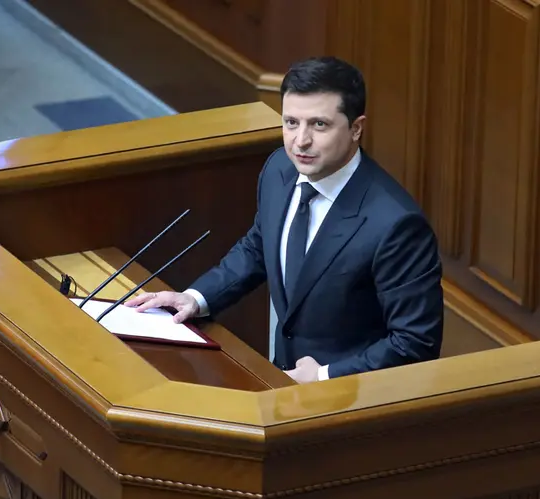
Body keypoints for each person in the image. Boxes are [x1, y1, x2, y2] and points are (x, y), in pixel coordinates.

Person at [126, 56, 444, 383]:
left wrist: (325, 375)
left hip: (351, 401)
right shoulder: (280, 168)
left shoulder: (395, 224)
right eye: (291, 122)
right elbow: (258, 247)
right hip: (281, 383)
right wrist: (196, 298)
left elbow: (415, 342)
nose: (300, 141)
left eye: (319, 125)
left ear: (356, 128)